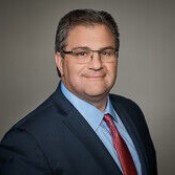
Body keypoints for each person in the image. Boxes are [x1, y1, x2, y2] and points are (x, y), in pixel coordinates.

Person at [0, 9, 157, 175]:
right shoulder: (25, 143)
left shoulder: (132, 111)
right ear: (60, 62)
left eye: (105, 52)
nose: (96, 65)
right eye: (82, 53)